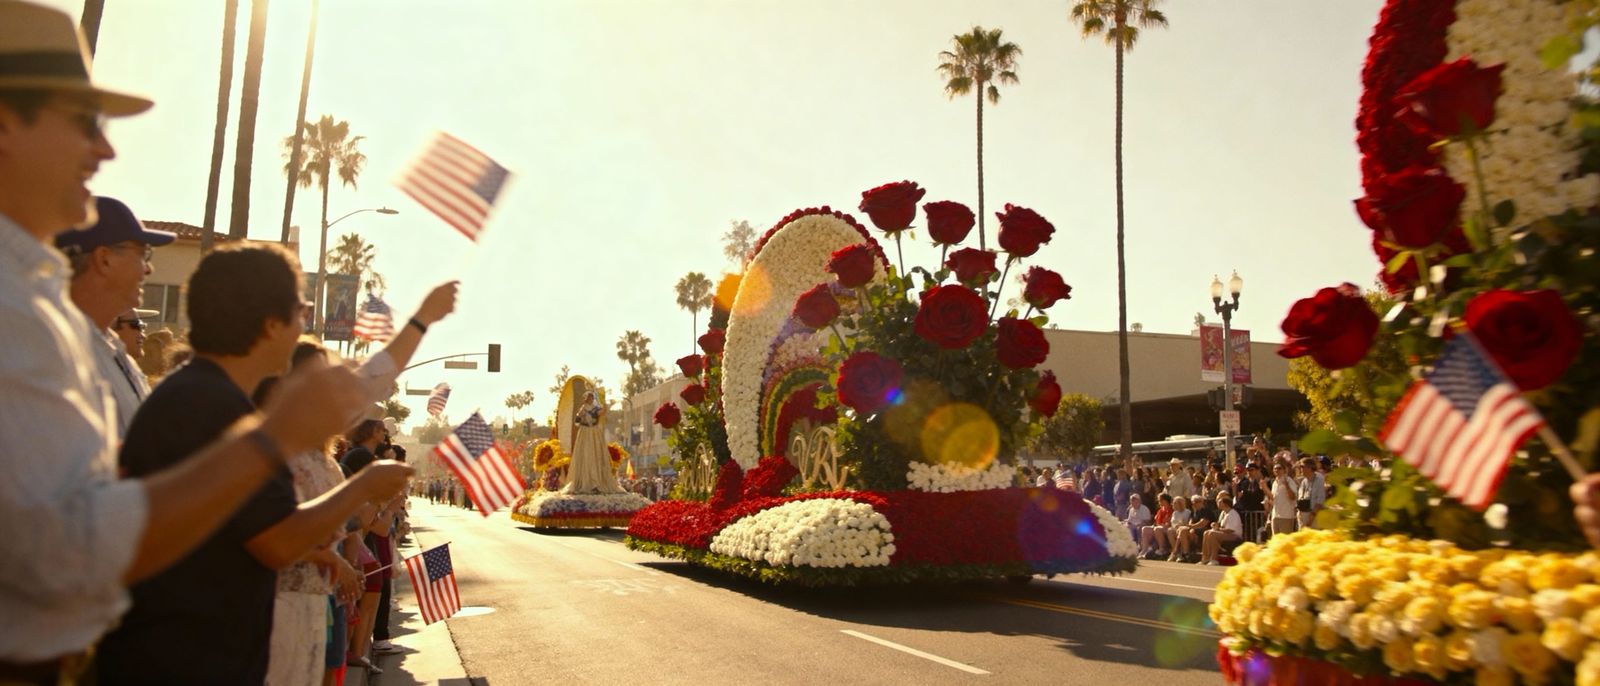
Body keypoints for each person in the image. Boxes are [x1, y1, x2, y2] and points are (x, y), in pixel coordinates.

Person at [0, 3, 374, 679]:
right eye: (79, 121)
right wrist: (275, 438)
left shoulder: (36, 302)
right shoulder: (13, 307)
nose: (104, 149)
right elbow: (66, 552)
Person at [95, 244, 414, 685]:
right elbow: (278, 542)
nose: (305, 324)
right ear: (269, 324)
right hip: (185, 660)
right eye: (300, 309)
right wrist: (364, 486)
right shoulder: (211, 406)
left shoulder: (208, 397)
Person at [54, 196, 174, 434]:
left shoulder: (113, 350)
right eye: (143, 254)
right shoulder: (56, 350)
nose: (148, 268)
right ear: (104, 259)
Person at [562, 391, 625, 494]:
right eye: (589, 397)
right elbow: (577, 422)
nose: (590, 399)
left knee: (595, 454)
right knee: (585, 454)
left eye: (592, 397)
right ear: (586, 398)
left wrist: (607, 404)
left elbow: (602, 412)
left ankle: (595, 482)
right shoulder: (582, 408)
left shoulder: (596, 408)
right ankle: (583, 481)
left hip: (593, 433)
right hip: (585, 433)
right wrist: (581, 416)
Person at [1198, 493, 1244, 565]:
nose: (1217, 504)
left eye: (1220, 502)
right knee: (1206, 533)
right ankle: (1205, 558)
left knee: (1212, 534)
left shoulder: (1233, 514)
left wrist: (1218, 529)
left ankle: (1214, 559)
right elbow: (1220, 525)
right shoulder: (1223, 513)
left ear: (1225, 504)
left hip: (1234, 535)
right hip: (1226, 533)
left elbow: (1230, 530)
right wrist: (1214, 525)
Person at [1269, 462, 1300, 538]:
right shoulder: (1274, 483)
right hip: (1275, 516)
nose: (1277, 470)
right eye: (1275, 468)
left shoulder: (1289, 481)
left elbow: (1293, 497)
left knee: (1285, 542)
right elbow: (1273, 500)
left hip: (1286, 516)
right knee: (1276, 542)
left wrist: (1287, 486)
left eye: (1279, 468)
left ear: (1284, 470)